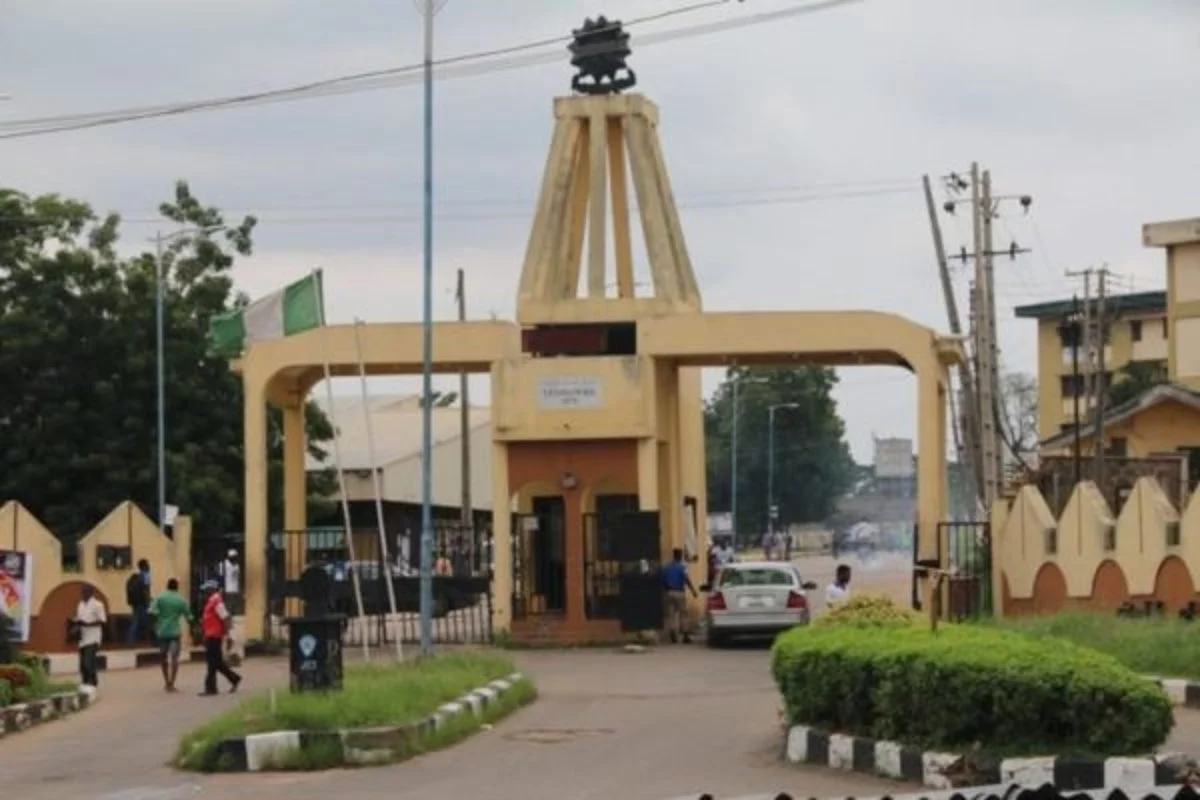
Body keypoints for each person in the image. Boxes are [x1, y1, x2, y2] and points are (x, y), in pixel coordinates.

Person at [149, 578, 193, 692]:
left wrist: (156, 622)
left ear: (167, 586)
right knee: (174, 658)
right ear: (177, 587)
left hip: (162, 632)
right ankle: (172, 683)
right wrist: (194, 628)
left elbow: (151, 611)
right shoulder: (181, 600)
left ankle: (166, 681)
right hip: (175, 632)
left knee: (163, 657)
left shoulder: (160, 598)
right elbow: (189, 616)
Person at [199, 580, 241, 696]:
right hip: (211, 635)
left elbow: (226, 618)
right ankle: (234, 679)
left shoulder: (216, 601)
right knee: (216, 663)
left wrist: (229, 635)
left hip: (215, 636)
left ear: (212, 590)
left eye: (206, 591)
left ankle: (211, 688)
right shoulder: (212, 601)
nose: (205, 593)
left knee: (212, 663)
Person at [661, 548, 698, 644]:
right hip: (679, 592)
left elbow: (662, 580)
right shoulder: (682, 567)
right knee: (683, 614)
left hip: (668, 592)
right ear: (680, 556)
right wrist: (693, 590)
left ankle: (673, 634)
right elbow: (687, 579)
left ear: (673, 555)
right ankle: (685, 635)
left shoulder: (667, 567)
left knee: (670, 614)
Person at [74, 585, 107, 688]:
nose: (83, 594)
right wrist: (76, 624)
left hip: (93, 638)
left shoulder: (98, 605)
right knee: (82, 664)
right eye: (82, 592)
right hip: (83, 638)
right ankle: (85, 682)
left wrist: (88, 624)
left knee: (88, 662)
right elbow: (79, 618)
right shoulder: (80, 604)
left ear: (91, 593)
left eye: (86, 592)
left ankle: (92, 682)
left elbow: (102, 621)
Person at [125, 559, 152, 645]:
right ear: (144, 566)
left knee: (136, 620)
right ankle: (134, 641)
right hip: (143, 602)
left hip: (135, 602)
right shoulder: (146, 576)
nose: (149, 566)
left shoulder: (135, 577)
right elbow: (146, 590)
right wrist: (148, 602)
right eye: (148, 565)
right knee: (141, 622)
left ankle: (132, 640)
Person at [219, 549, 241, 615]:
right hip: (227, 589)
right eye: (233, 557)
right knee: (227, 606)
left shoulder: (237, 565)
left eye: (235, 557)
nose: (234, 559)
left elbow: (238, 577)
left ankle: (233, 616)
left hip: (235, 589)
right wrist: (221, 587)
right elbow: (221, 577)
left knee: (234, 605)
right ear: (229, 557)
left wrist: (239, 588)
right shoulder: (223, 564)